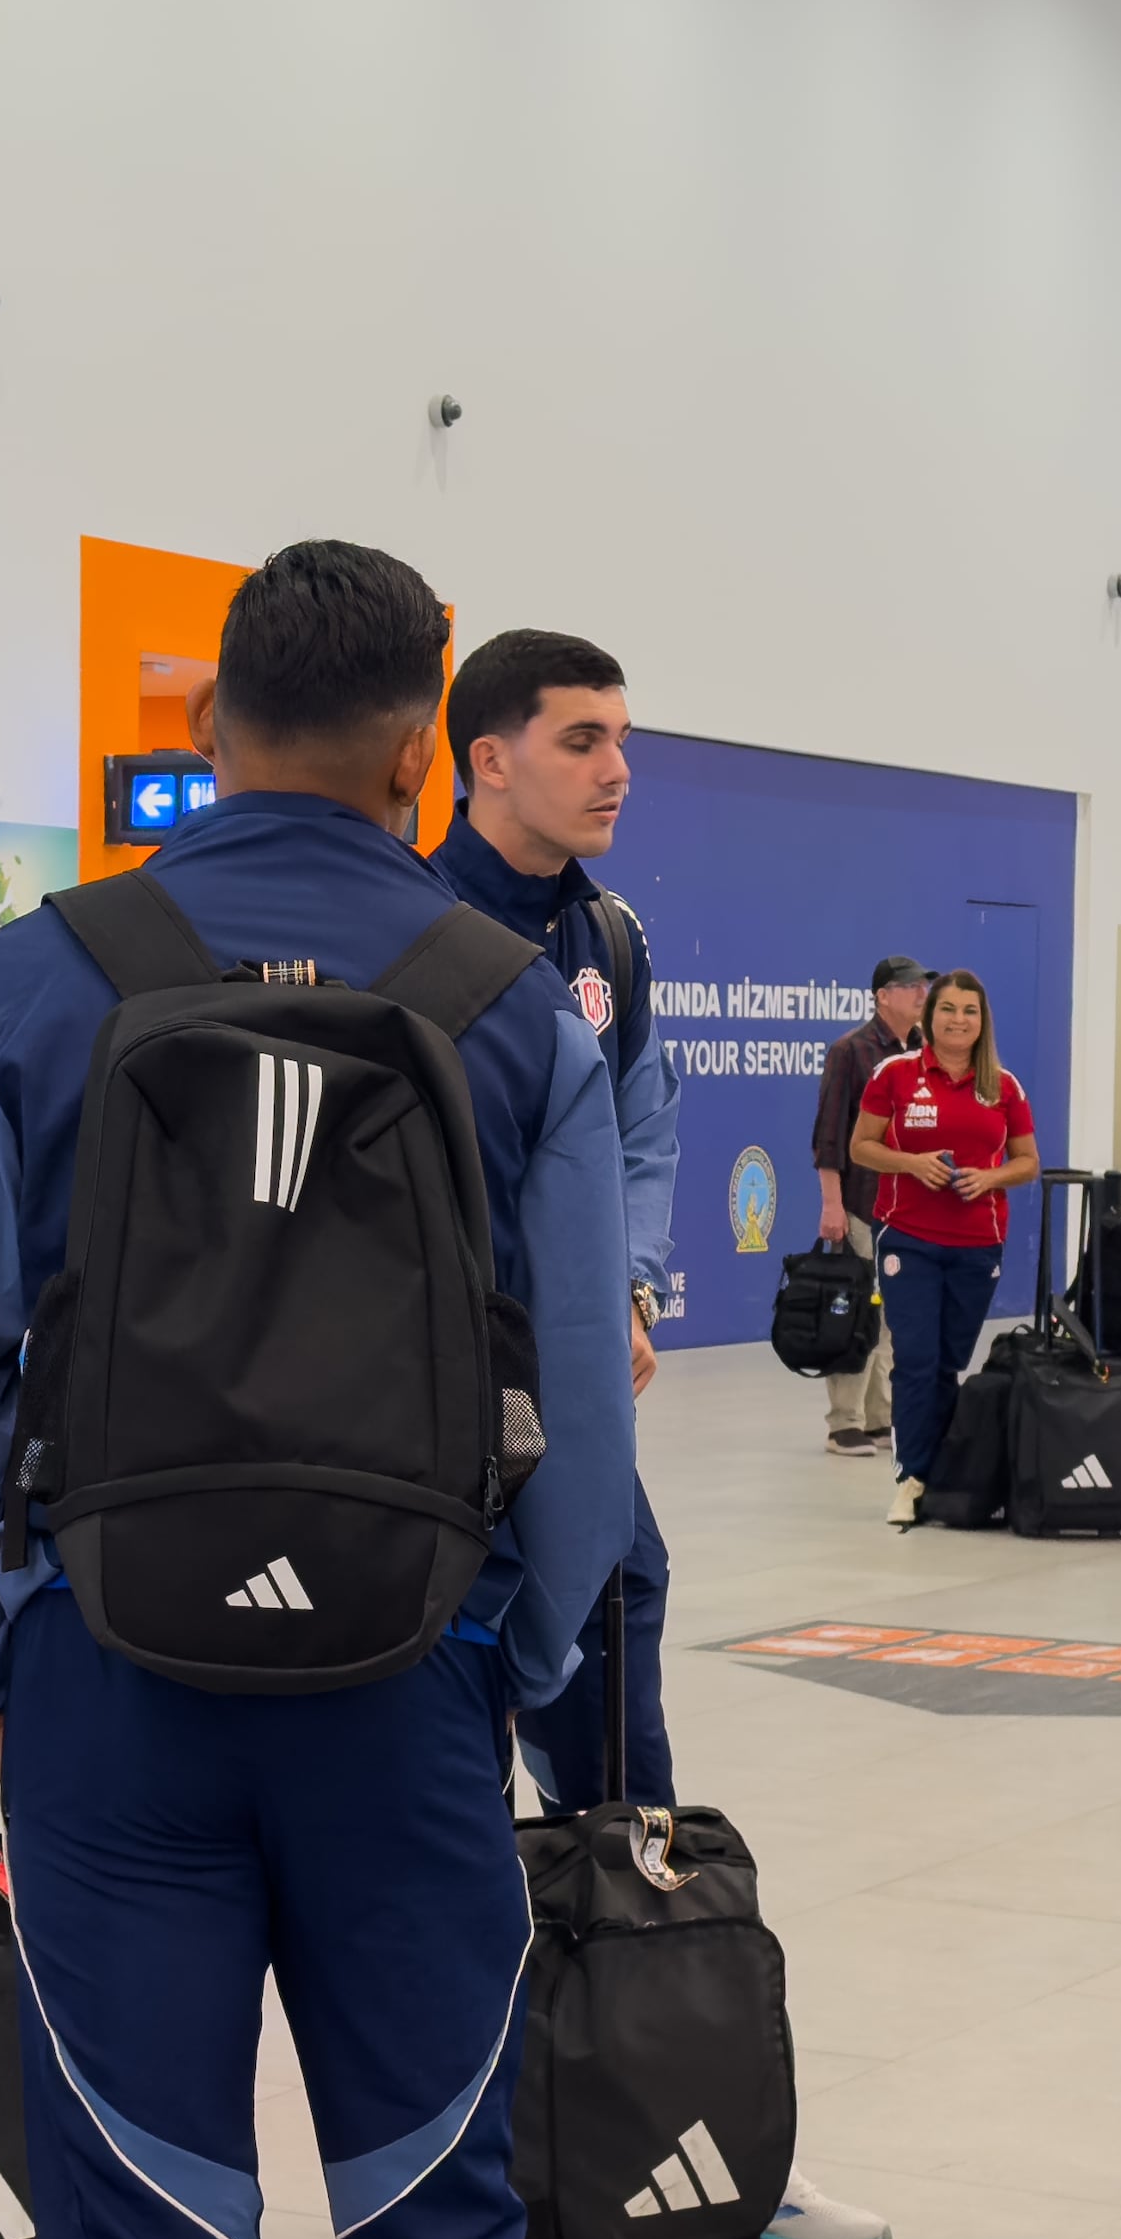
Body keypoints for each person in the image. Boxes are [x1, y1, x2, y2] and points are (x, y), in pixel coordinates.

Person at [0, 538, 635, 2239]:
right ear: (421, 752)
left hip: (111, 1693)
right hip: (407, 1693)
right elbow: (583, 1426)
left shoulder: (35, 980)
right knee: (437, 2224)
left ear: (209, 726)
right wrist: (514, 1663)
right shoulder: (510, 1002)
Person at [435, 629, 678, 1815]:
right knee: (455, 1631)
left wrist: (622, 1286)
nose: (615, 771)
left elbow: (641, 1130)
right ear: (488, 759)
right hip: (434, 1382)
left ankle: (617, 1885)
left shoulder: (609, 938)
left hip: (565, 1382)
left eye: (620, 741)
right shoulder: (408, 925)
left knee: (619, 1588)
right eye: (582, 741)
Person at [854, 969, 1040, 1528]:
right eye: (948, 1009)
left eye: (970, 1011)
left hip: (978, 1244)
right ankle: (910, 1478)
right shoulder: (895, 1075)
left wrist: (990, 1177)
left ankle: (944, 1474)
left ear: (983, 1022)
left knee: (948, 1362)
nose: (958, 1020)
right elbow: (861, 1147)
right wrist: (911, 1163)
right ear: (929, 1016)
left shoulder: (1004, 1087)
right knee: (915, 1359)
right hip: (908, 1238)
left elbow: (1028, 1162)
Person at [809, 955, 927, 1451]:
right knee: (857, 1312)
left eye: (924, 986)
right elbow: (830, 1135)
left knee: (895, 1317)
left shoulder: (923, 1052)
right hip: (862, 1203)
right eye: (910, 986)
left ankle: (882, 1417)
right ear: (883, 996)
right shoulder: (851, 1052)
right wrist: (831, 1204)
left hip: (910, 1208)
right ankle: (844, 1422)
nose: (921, 994)